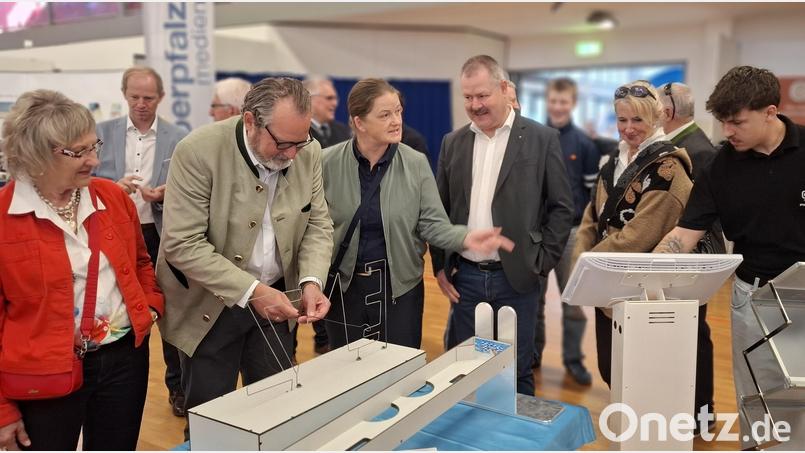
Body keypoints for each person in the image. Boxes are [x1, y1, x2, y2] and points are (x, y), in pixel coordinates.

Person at [155, 77, 333, 438]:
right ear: (250, 121)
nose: (292, 154)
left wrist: (311, 280)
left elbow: (317, 222)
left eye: (301, 142)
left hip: (277, 301)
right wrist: (252, 290)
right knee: (212, 423)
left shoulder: (307, 151)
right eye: (282, 143)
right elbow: (182, 243)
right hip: (208, 305)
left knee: (276, 415)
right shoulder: (198, 151)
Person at [0, 89, 163, 450]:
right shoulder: (5, 218)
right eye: (78, 152)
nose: (93, 159)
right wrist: (3, 410)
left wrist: (149, 305)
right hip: (41, 371)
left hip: (124, 358)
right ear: (35, 154)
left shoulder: (111, 197)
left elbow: (140, 260)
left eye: (95, 146)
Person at [654, 66, 805, 449]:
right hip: (752, 297)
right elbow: (685, 234)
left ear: (770, 112)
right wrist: (644, 271)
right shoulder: (720, 166)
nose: (727, 132)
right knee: (756, 393)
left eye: (737, 122)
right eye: (722, 122)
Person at [321, 78, 513, 349]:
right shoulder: (325, 163)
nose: (396, 120)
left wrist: (466, 238)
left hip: (400, 289)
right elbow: (313, 228)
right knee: (348, 373)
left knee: (399, 371)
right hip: (344, 289)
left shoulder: (415, 163)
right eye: (385, 114)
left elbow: (433, 225)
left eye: (398, 111)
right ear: (359, 122)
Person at [432, 55, 574, 395]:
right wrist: (440, 265)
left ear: (504, 88)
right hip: (464, 278)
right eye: (467, 97)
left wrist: (541, 262)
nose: (475, 105)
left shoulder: (541, 139)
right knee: (463, 370)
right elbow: (440, 210)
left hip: (518, 278)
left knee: (517, 371)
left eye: (482, 95)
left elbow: (561, 208)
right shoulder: (453, 143)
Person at [572, 80, 693, 388]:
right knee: (612, 370)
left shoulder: (668, 168)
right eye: (622, 119)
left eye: (637, 119)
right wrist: (580, 262)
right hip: (606, 288)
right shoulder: (613, 161)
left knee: (644, 379)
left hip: (643, 294)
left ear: (657, 117)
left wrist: (588, 265)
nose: (628, 128)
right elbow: (591, 218)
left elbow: (639, 236)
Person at [94, 66, 188, 417]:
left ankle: (176, 386)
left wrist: (163, 194)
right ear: (124, 95)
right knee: (117, 308)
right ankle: (115, 381)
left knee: (167, 309)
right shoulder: (101, 133)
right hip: (111, 235)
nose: (141, 104)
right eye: (135, 96)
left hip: (158, 233)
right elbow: (84, 181)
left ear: (160, 98)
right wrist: (110, 188)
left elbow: (188, 188)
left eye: (148, 98)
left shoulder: (178, 137)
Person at [658, 81, 725, 428]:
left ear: (667, 112)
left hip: (692, 256)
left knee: (694, 335)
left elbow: (702, 217)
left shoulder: (695, 150)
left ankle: (702, 411)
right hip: (683, 253)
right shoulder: (684, 144)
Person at [533, 77, 599, 385]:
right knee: (534, 302)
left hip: (571, 233)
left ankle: (573, 360)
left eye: (564, 102)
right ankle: (532, 355)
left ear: (572, 104)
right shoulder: (531, 138)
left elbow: (591, 195)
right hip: (536, 233)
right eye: (553, 101)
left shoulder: (584, 145)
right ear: (547, 102)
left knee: (572, 303)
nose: (558, 107)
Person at [303, 76, 352, 148]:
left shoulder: (343, 131)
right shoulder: (298, 131)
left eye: (335, 99)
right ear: (309, 99)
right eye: (329, 98)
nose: (335, 103)